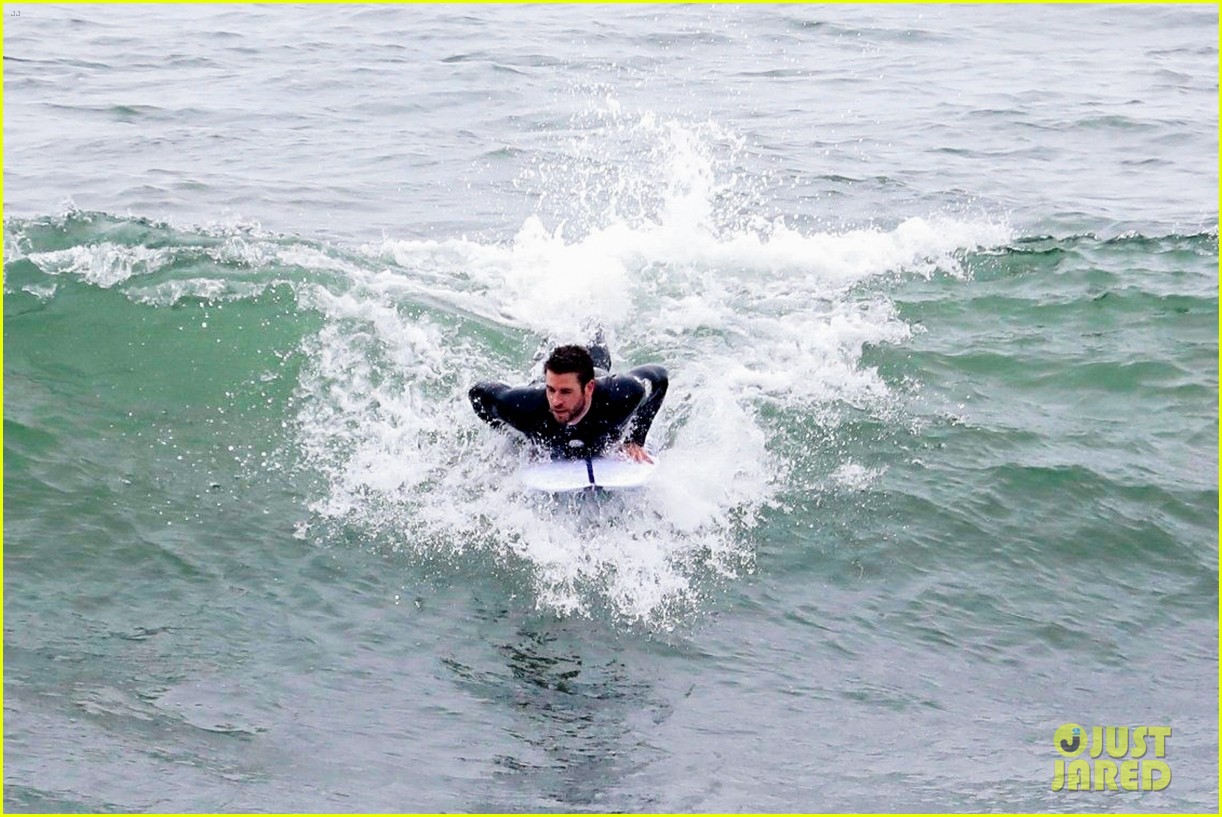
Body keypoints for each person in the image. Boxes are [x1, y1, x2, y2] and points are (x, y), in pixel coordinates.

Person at [469, 339, 668, 463]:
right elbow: (478, 393)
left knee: (598, 360)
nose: (555, 401)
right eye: (551, 390)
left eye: (565, 392)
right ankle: (549, 342)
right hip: (541, 385)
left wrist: (636, 439)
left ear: (589, 388)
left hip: (596, 373)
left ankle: (593, 319)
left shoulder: (620, 395)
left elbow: (660, 377)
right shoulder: (526, 407)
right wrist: (516, 438)